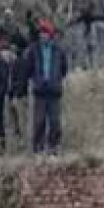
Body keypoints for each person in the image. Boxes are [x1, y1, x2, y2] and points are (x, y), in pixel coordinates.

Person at [25, 19, 68, 155]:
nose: (42, 36)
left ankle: (53, 147)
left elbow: (64, 68)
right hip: (40, 90)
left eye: (44, 33)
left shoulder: (59, 50)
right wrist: (36, 79)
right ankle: (38, 148)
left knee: (55, 121)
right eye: (40, 33)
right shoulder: (34, 50)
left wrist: (56, 79)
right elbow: (29, 69)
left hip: (54, 89)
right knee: (39, 121)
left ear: (50, 35)